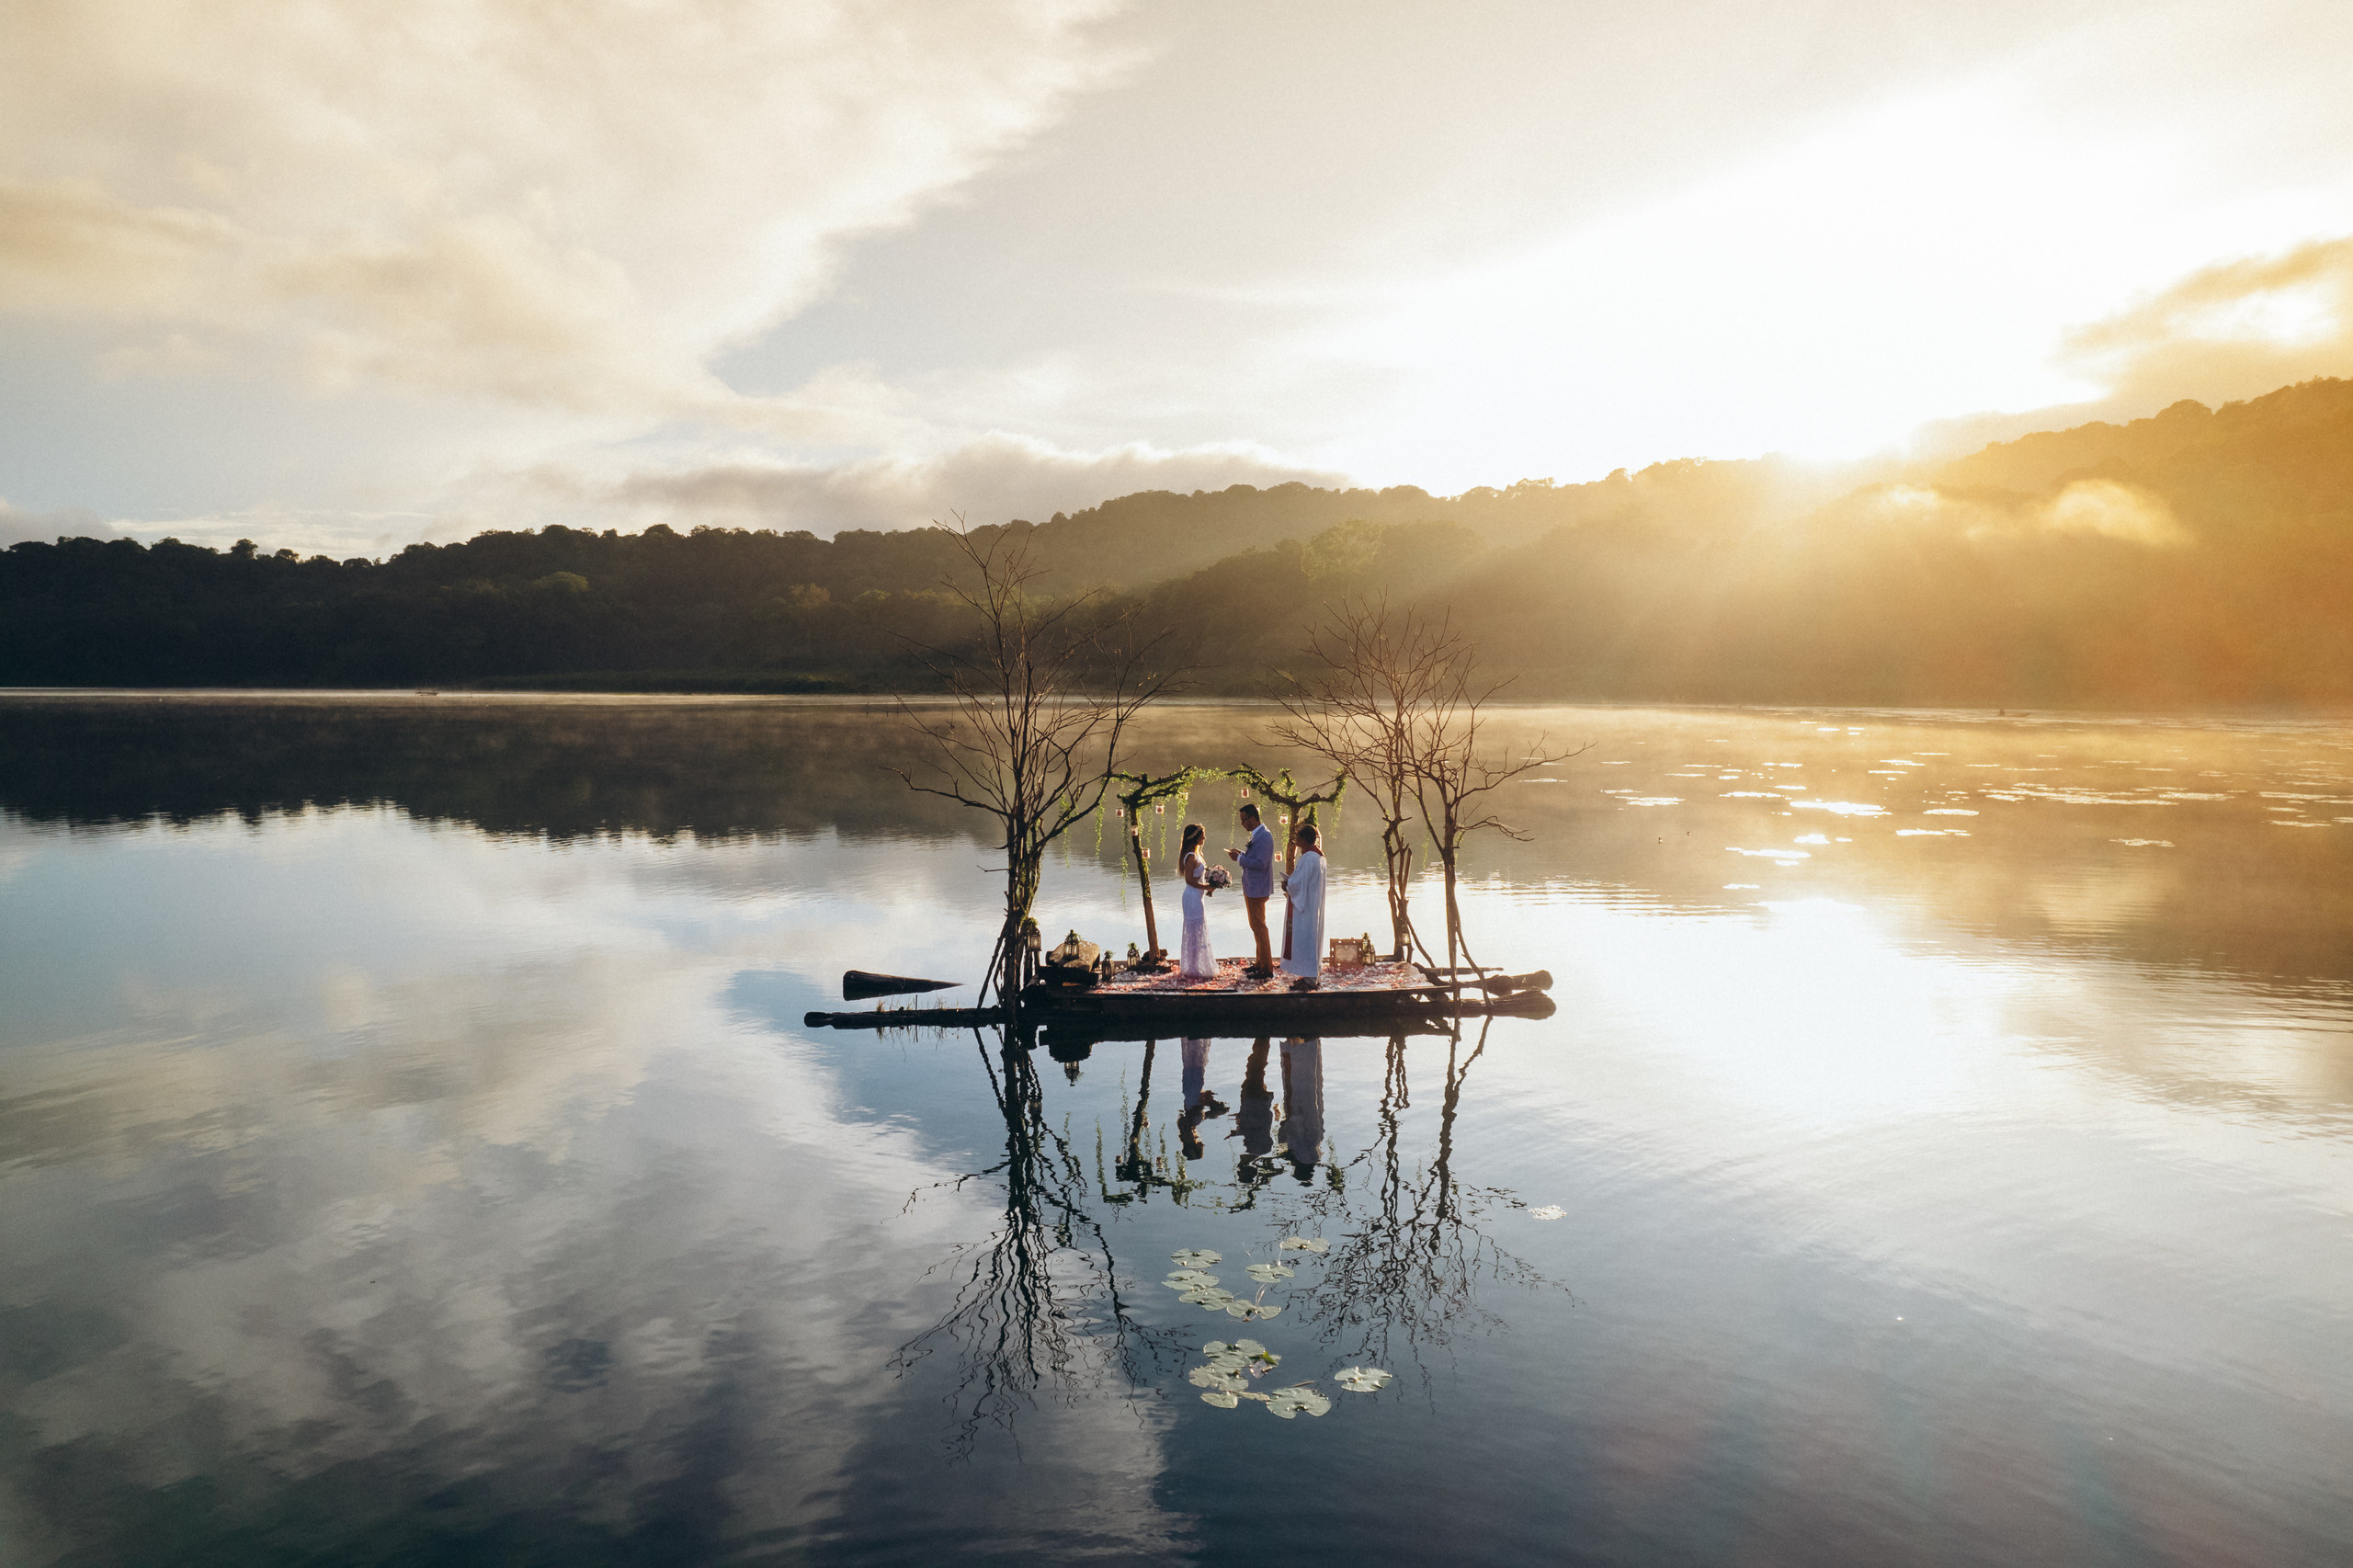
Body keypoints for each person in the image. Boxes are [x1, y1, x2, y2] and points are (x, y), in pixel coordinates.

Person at [1225, 803, 1277, 978]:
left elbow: (1261, 864)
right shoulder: (1258, 835)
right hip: (1252, 887)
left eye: (1244, 820)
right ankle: (1260, 963)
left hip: (1258, 889)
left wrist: (1239, 859)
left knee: (1260, 927)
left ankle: (1266, 969)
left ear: (1253, 818)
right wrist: (1242, 854)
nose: (1242, 824)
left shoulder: (1264, 836)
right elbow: (1255, 858)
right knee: (1255, 926)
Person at [1281, 822, 1326, 988]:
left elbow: (1298, 883)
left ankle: (1309, 979)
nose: (1295, 839)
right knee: (1311, 940)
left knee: (1305, 940)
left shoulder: (1308, 858)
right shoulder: (1319, 857)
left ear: (1305, 839)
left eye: (1298, 837)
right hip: (1313, 905)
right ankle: (1310, 975)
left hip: (1305, 907)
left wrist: (1287, 884)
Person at [1177, 823, 1219, 980]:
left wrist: (1212, 880)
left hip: (1197, 896)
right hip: (1192, 897)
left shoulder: (1196, 854)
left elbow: (1197, 877)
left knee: (1198, 930)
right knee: (1194, 931)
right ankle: (1193, 968)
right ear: (1195, 837)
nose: (1204, 838)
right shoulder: (1190, 857)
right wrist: (1207, 887)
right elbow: (1189, 881)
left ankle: (1197, 965)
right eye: (1202, 835)